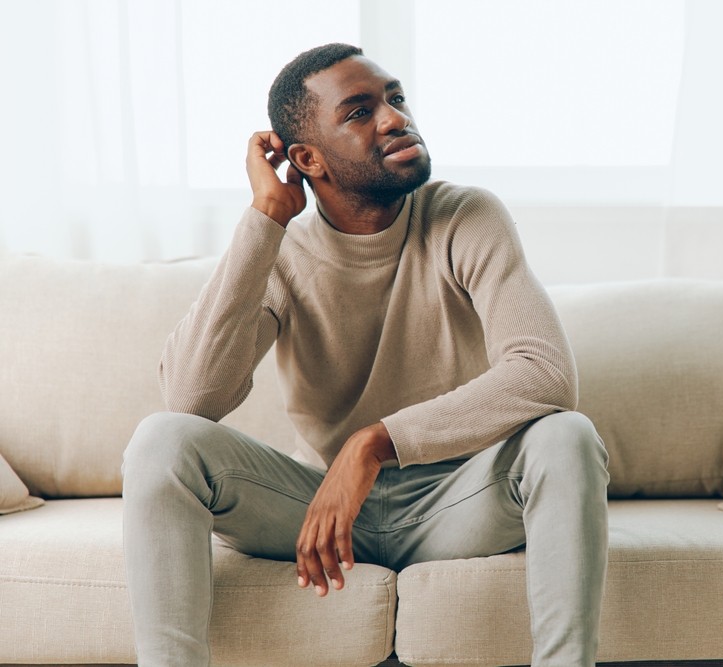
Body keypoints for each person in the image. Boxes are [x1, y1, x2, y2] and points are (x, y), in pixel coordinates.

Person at [121, 42, 609, 667]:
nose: (394, 118)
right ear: (307, 159)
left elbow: (544, 374)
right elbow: (191, 397)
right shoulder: (285, 255)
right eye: (358, 111)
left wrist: (373, 443)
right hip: (320, 511)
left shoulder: (465, 217)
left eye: (395, 98)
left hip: (456, 500)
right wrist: (266, 217)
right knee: (162, 440)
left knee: (567, 437)